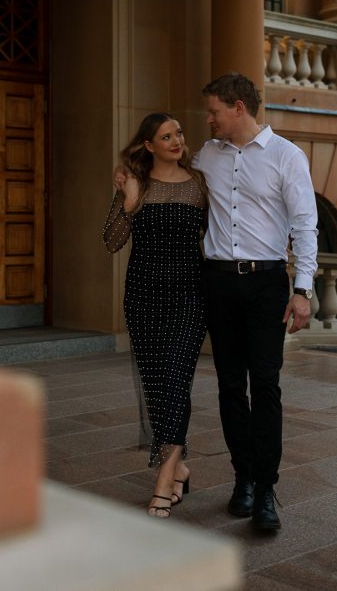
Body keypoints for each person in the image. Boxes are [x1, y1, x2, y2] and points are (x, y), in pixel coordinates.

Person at [193, 73, 318, 532]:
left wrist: (302, 290)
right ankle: (241, 478)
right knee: (229, 385)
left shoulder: (287, 156)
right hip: (219, 284)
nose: (208, 119)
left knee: (265, 384)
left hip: (266, 283)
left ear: (239, 107)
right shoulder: (206, 155)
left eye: (214, 111)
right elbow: (170, 178)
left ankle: (266, 488)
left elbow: (305, 226)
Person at [103, 113, 208, 518]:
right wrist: (129, 202)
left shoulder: (199, 184)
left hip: (190, 297)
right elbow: (112, 241)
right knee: (158, 386)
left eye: (179, 133)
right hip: (143, 298)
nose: (177, 140)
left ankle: (164, 481)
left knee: (176, 381)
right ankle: (179, 465)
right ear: (148, 145)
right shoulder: (135, 183)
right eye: (166, 136)